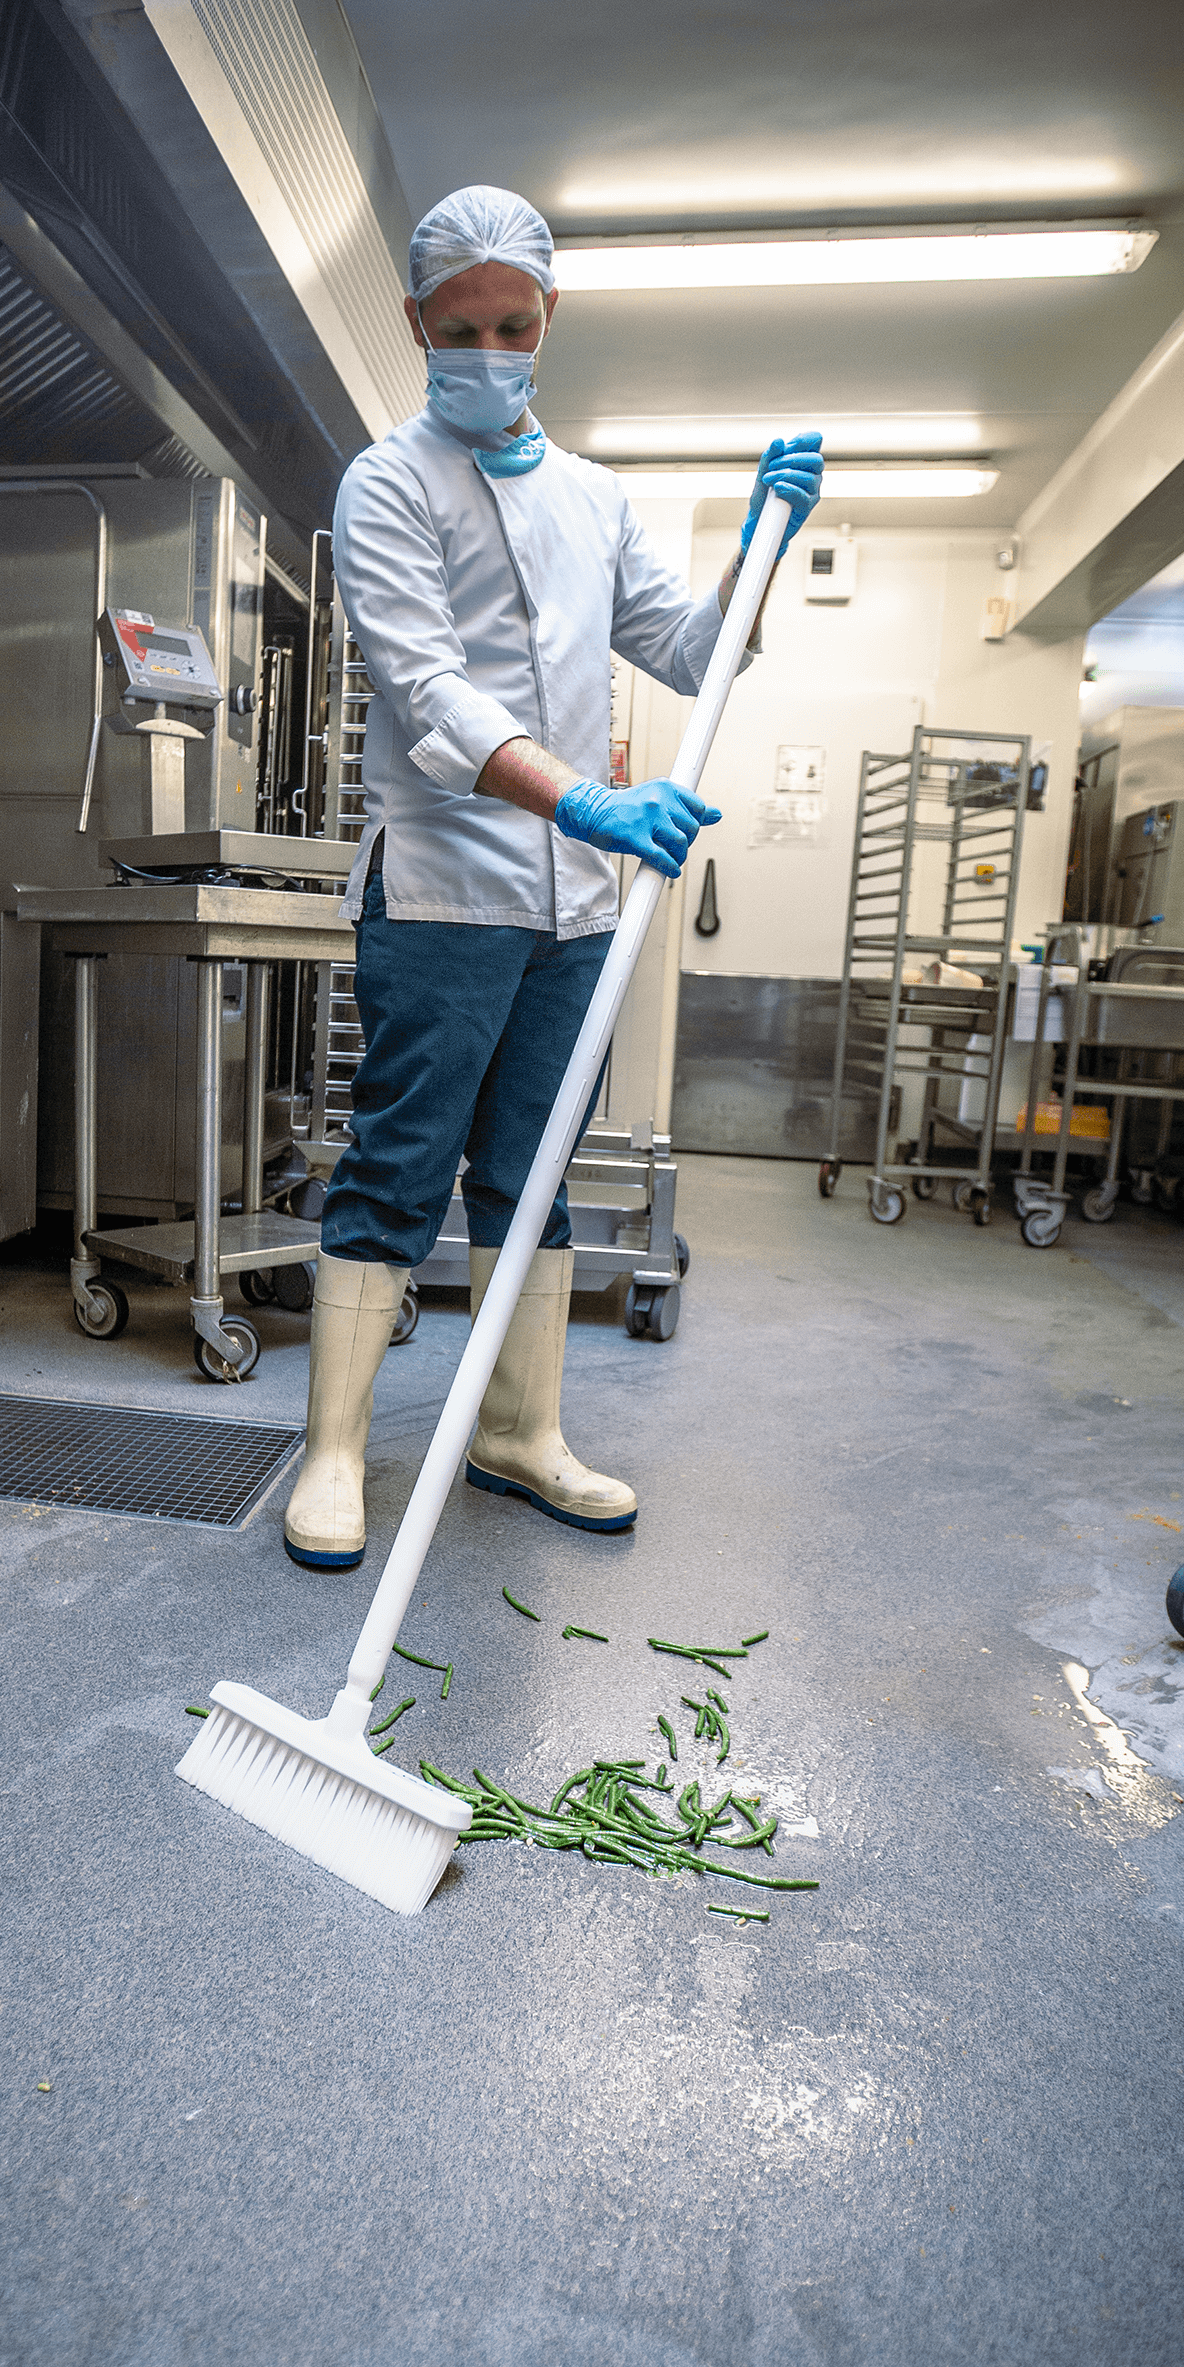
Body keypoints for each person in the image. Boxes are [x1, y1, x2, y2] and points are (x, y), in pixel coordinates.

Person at [284, 183, 821, 1569]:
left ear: (549, 320)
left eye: (511, 325)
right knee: (401, 1164)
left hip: (574, 913)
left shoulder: (598, 500)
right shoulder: (387, 483)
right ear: (415, 323)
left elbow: (694, 654)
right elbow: (424, 692)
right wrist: (585, 796)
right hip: (450, 890)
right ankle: (336, 1450)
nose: (485, 350)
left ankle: (520, 1434)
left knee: (532, 1175)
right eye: (457, 329)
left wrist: (762, 556)